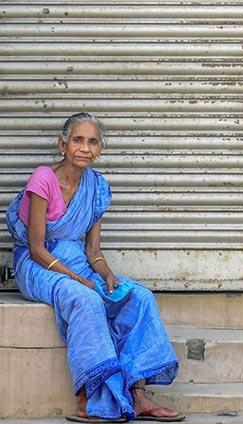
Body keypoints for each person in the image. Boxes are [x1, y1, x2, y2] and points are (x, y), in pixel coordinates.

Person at [6, 113, 185, 422]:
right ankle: (88, 399)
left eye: (92, 142)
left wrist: (107, 275)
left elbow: (93, 251)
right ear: (63, 145)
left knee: (138, 296)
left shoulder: (97, 187)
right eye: (77, 140)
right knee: (85, 299)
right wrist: (78, 280)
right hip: (39, 265)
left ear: (100, 149)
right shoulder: (43, 179)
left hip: (77, 260)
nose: (84, 148)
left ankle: (138, 394)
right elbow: (35, 248)